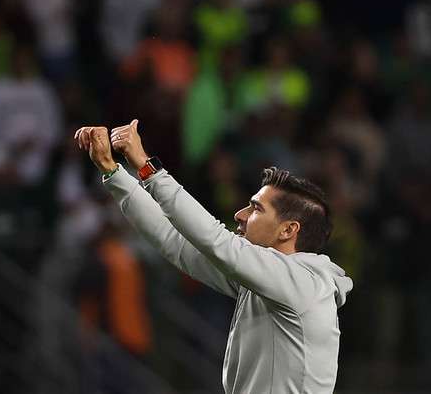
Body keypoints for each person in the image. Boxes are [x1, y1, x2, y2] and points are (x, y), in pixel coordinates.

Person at [74, 119, 353, 394]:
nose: (239, 215)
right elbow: (175, 242)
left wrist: (148, 168)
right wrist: (113, 172)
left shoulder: (306, 284)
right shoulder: (265, 282)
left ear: (288, 230)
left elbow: (218, 241)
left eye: (256, 209)